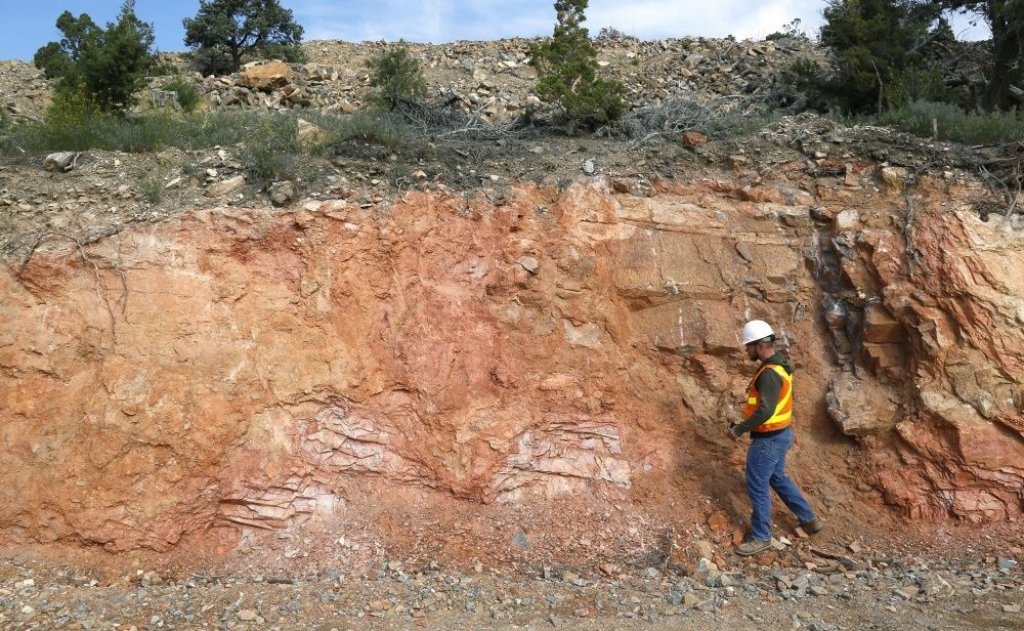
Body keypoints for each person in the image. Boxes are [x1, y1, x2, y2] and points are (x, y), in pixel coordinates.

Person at [729, 319, 821, 556]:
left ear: (760, 345)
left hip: (768, 439)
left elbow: (766, 410)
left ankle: (762, 536)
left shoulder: (769, 373)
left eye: (749, 346)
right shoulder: (780, 367)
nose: (746, 350)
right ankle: (809, 519)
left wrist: (739, 429)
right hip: (781, 434)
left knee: (757, 485)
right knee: (778, 478)